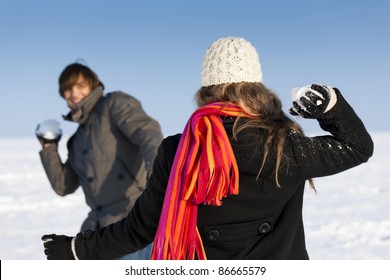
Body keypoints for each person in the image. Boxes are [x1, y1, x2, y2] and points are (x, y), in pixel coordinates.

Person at [42, 37, 374, 260]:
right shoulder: (283, 143)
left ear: (206, 88)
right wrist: (330, 107)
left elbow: (139, 229)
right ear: (256, 85)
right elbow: (357, 147)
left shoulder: (178, 149)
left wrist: (76, 248)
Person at [36, 62, 163, 259]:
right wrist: (49, 147)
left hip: (134, 225)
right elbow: (63, 186)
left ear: (93, 86)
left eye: (80, 86)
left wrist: (156, 177)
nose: (73, 93)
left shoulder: (114, 104)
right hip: (98, 233)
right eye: (68, 89)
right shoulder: (76, 142)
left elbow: (148, 134)